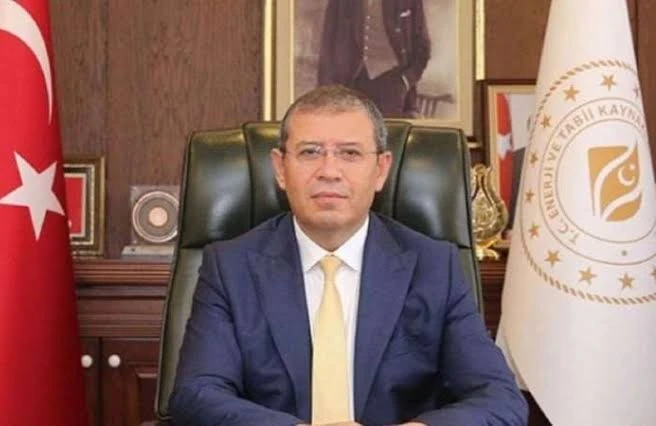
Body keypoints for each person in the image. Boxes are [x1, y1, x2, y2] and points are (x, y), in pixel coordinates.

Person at [169, 85, 528, 425]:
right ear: (280, 169)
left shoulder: (434, 268)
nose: (329, 171)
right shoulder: (231, 267)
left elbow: (499, 400)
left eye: (350, 153)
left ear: (381, 170)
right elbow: (196, 394)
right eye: (310, 152)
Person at [317, 0, 431, 116]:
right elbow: (328, 46)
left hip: (391, 85)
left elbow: (423, 48)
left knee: (388, 127)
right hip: (350, 83)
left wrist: (405, 80)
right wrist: (325, 96)